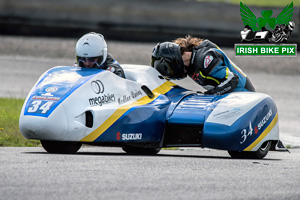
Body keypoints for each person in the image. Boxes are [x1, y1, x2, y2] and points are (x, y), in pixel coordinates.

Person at [151, 35, 255, 95]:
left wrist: (208, 95)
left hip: (244, 94)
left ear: (174, 60)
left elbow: (232, 80)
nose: (171, 74)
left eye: (168, 69)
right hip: (230, 97)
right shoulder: (188, 65)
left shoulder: (205, 59)